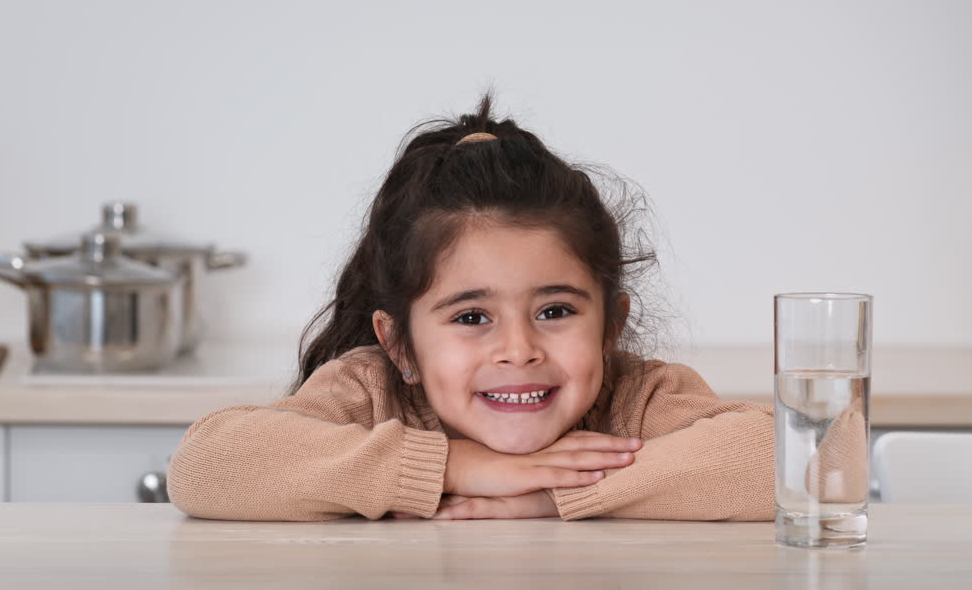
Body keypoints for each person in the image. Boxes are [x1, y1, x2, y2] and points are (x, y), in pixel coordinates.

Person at [167, 94, 780, 521]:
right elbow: (208, 464)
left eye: (556, 311)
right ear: (399, 345)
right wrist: (456, 467)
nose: (519, 350)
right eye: (470, 317)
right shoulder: (372, 393)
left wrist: (552, 497)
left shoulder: (636, 398)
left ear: (610, 327)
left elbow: (804, 461)